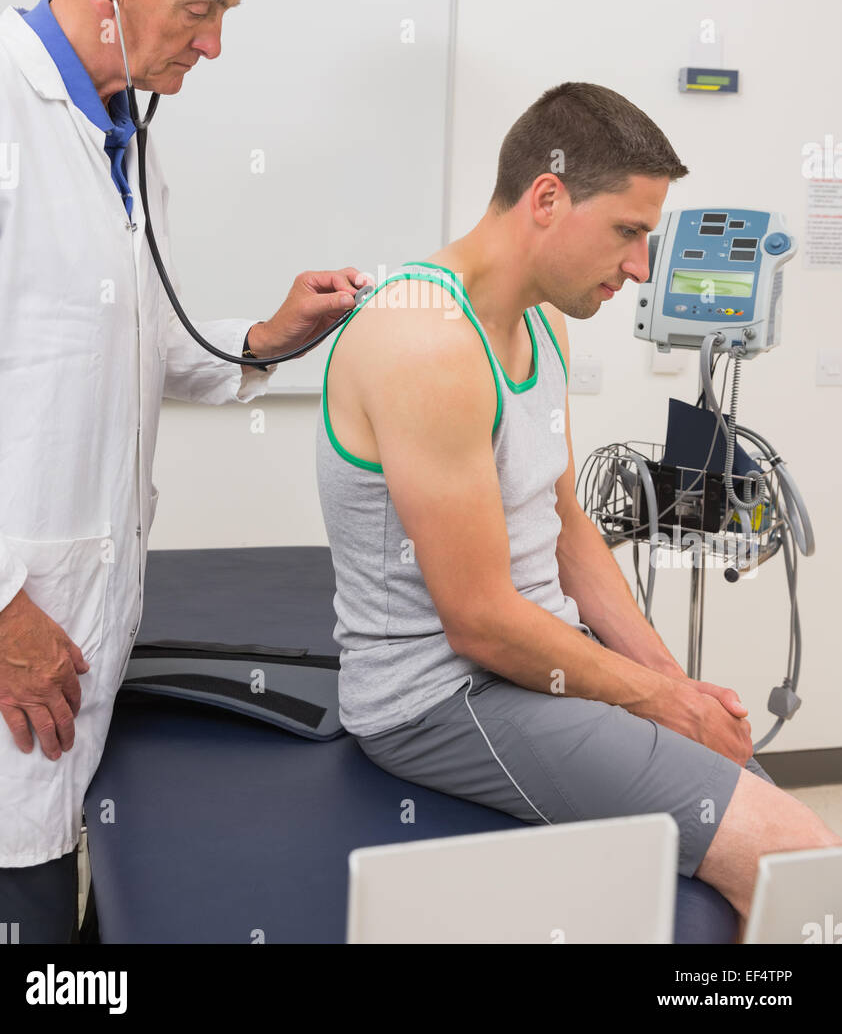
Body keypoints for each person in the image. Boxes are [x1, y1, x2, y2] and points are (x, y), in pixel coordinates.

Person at [316, 81, 840, 934]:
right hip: (445, 698)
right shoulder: (426, 344)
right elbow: (481, 623)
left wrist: (674, 682)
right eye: (629, 233)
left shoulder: (540, 325)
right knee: (802, 859)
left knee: (769, 814)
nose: (640, 269)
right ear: (549, 198)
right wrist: (659, 706)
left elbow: (568, 528)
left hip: (535, 664)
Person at [0, 0, 364, 941]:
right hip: (0, 628)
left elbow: (128, 342)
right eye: (202, 9)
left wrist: (266, 339)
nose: (214, 43)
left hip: (71, 628)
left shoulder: (118, 132)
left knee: (54, 903)